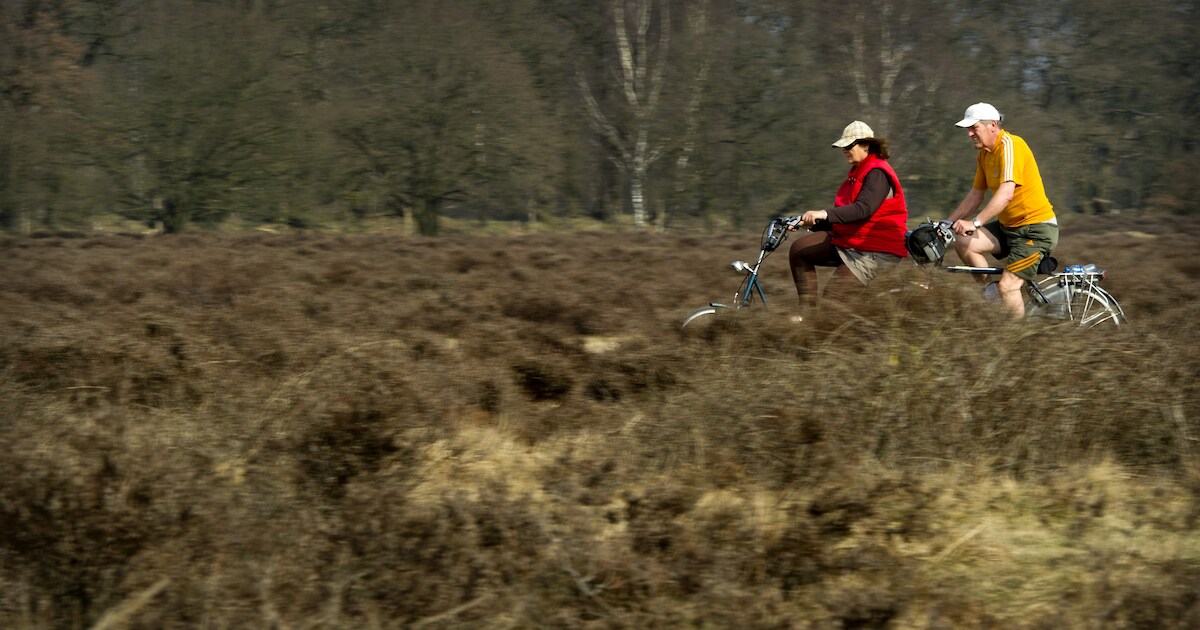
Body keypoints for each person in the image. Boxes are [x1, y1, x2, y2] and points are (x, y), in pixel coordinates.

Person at [945, 103, 1058, 317]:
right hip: (1009, 228)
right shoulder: (984, 155)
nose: (969, 134)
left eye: (974, 128)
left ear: (992, 125)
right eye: (968, 130)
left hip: (1035, 230)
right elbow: (976, 194)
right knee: (963, 241)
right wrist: (946, 222)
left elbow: (1006, 194)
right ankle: (992, 295)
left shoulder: (1010, 145)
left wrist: (975, 223)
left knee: (1009, 286)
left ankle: (1016, 343)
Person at [787, 120, 909, 311]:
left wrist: (824, 213)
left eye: (849, 145)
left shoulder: (877, 172)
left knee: (832, 301)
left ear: (866, 145)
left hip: (875, 249)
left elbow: (862, 210)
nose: (844, 150)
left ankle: (825, 331)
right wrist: (809, 223)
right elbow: (846, 216)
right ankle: (806, 314)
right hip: (853, 239)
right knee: (799, 249)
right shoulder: (857, 172)